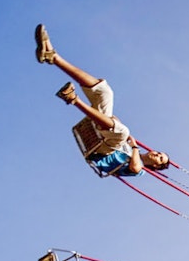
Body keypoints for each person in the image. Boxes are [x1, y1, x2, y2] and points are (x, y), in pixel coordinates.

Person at [35, 24, 169, 177]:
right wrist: (115, 122)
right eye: (159, 152)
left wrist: (134, 148)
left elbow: (135, 168)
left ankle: (74, 99)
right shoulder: (129, 145)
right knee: (105, 92)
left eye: (159, 157)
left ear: (156, 166)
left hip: (101, 153)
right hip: (103, 135)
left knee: (123, 132)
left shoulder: (139, 166)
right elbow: (115, 125)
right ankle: (52, 57)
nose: (156, 154)